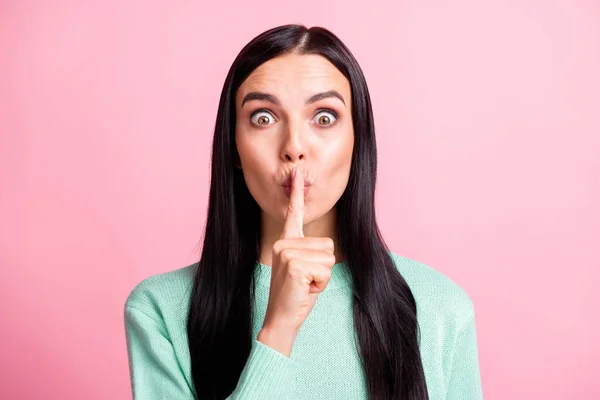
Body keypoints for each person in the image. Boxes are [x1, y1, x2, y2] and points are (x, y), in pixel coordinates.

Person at [124, 24, 483, 400]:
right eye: (263, 117)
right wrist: (277, 330)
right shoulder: (161, 310)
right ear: (233, 147)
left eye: (324, 117)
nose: (294, 146)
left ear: (358, 141)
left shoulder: (441, 307)